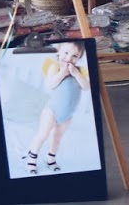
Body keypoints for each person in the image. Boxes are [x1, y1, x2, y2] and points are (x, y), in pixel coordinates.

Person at [22, 42, 88, 174]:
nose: (69, 58)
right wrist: (62, 73)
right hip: (52, 110)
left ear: (79, 58)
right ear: (58, 52)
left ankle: (50, 158)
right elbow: (51, 84)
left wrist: (76, 74)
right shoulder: (55, 67)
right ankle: (32, 156)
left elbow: (86, 87)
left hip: (68, 114)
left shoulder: (80, 71)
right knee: (43, 134)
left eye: (74, 56)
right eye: (66, 53)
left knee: (57, 138)